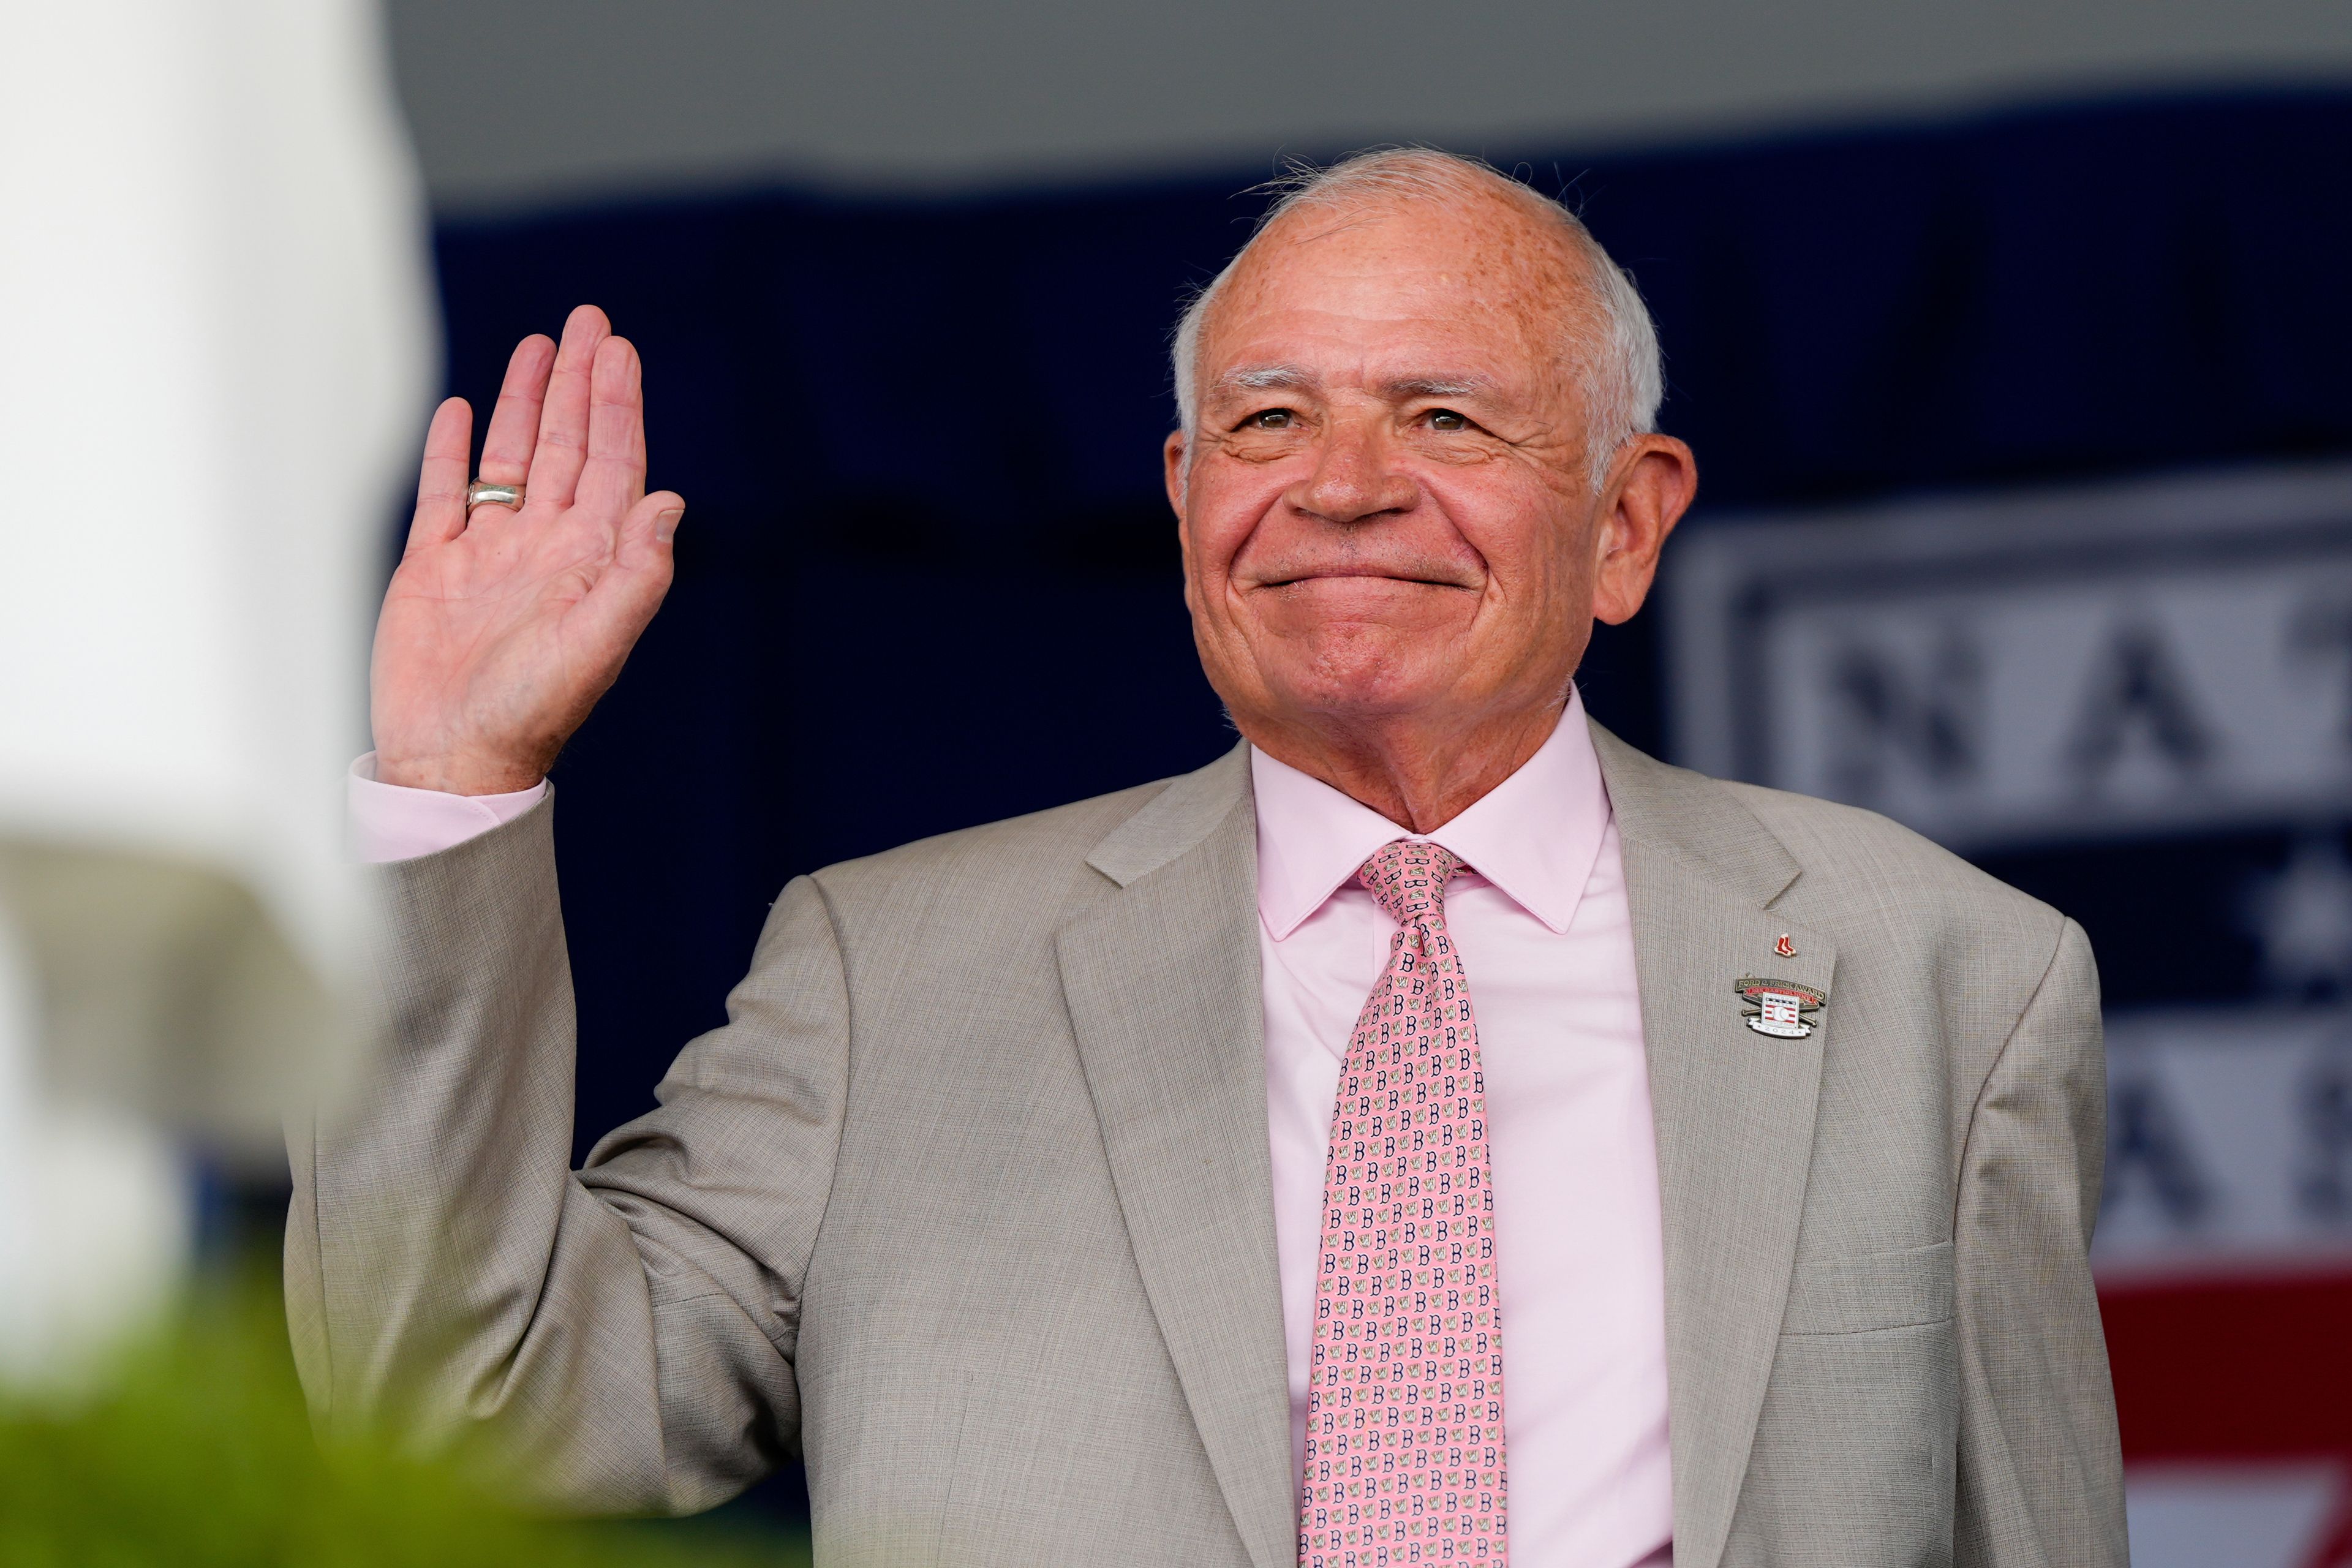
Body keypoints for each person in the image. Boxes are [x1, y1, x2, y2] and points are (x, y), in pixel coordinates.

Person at [290, 150, 2126, 1568]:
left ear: (1626, 522)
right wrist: (455, 775)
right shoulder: (889, 974)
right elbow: (466, 1409)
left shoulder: (1946, 974)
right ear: (1184, 509)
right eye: (1268, 419)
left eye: (1445, 418)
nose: (1337, 486)